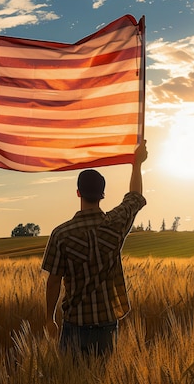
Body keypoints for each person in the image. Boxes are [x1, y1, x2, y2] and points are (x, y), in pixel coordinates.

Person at [42, 140, 148, 356]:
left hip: (74, 325)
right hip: (107, 324)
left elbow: (53, 282)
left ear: (78, 193)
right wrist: (137, 165)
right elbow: (134, 197)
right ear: (102, 194)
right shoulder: (115, 224)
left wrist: (50, 318)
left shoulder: (61, 234)